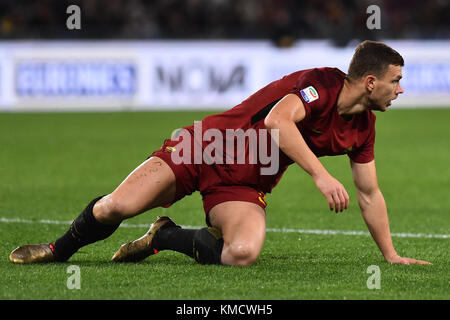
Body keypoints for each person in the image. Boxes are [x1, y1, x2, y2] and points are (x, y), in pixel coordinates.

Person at [10, 40, 431, 266]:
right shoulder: (319, 83)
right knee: (113, 208)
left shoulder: (363, 128)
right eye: (396, 80)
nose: (401, 89)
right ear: (371, 82)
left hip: (246, 182)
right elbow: (276, 121)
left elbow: (370, 193)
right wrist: (321, 176)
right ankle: (57, 250)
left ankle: (165, 235)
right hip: (203, 149)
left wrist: (390, 256)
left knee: (242, 254)